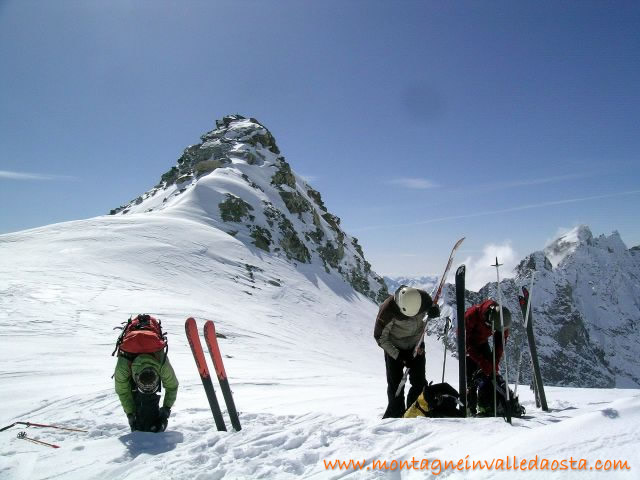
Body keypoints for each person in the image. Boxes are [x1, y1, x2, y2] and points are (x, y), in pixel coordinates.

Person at [374, 286, 440, 418]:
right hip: (394, 347)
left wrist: (434, 311)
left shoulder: (424, 299)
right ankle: (395, 414)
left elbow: (433, 307)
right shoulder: (387, 310)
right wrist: (399, 356)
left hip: (416, 344)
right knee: (396, 385)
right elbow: (380, 338)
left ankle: (415, 412)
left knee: (419, 382)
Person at [113, 314, 179, 432]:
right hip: (132, 358)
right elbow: (123, 391)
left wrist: (166, 410)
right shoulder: (123, 367)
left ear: (158, 375)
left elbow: (172, 385)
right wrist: (130, 414)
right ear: (136, 377)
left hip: (150, 352)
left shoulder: (162, 363)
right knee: (133, 396)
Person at [464, 300, 511, 416]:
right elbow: (466, 344)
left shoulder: (501, 320)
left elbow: (500, 344)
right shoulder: (471, 315)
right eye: (490, 326)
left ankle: (487, 404)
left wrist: (493, 364)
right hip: (469, 345)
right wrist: (483, 363)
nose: (491, 328)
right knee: (471, 378)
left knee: (490, 375)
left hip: (482, 343)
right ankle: (470, 408)